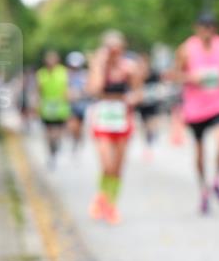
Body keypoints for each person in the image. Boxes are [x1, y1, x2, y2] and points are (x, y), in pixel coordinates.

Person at [174, 13, 219, 214]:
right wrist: (192, 77)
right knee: (200, 150)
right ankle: (204, 190)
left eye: (211, 27)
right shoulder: (186, 49)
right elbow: (175, 75)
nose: (207, 31)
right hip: (196, 106)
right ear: (196, 28)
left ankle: (217, 180)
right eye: (203, 27)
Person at [86, 31, 143, 224]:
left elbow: (138, 93)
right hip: (102, 118)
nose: (114, 53)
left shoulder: (130, 68)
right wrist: (101, 66)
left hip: (122, 119)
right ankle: (103, 198)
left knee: (117, 168)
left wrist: (132, 98)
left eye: (117, 50)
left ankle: (110, 205)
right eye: (110, 50)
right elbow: (94, 89)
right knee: (106, 164)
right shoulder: (98, 66)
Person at [35, 50, 70, 169]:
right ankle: (51, 152)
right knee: (48, 132)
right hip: (46, 106)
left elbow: (66, 88)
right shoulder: (41, 73)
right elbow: (38, 90)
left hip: (60, 106)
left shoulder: (63, 72)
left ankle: (56, 146)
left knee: (58, 131)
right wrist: (37, 104)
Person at [136, 51, 164, 161]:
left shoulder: (153, 73)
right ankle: (147, 144)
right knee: (144, 125)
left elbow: (159, 86)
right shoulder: (136, 74)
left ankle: (151, 142)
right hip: (142, 104)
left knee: (152, 124)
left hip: (153, 103)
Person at [65, 51, 89, 153]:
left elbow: (89, 89)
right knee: (72, 126)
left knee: (80, 126)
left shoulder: (84, 75)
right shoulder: (66, 75)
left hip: (82, 104)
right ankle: (75, 140)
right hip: (70, 105)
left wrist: (80, 94)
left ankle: (79, 141)